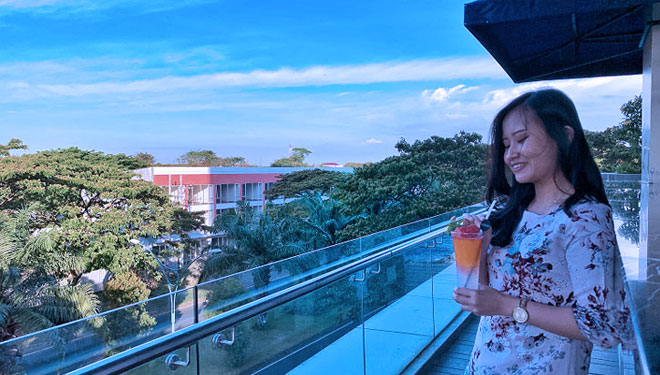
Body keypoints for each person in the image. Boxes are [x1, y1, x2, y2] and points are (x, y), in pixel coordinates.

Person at [452, 88, 635, 374]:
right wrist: (478, 246)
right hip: (483, 365)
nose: (511, 154)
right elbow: (484, 296)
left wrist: (506, 305)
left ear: (564, 136)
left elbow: (605, 326)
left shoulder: (584, 218)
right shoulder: (509, 210)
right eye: (505, 145)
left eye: (522, 139)